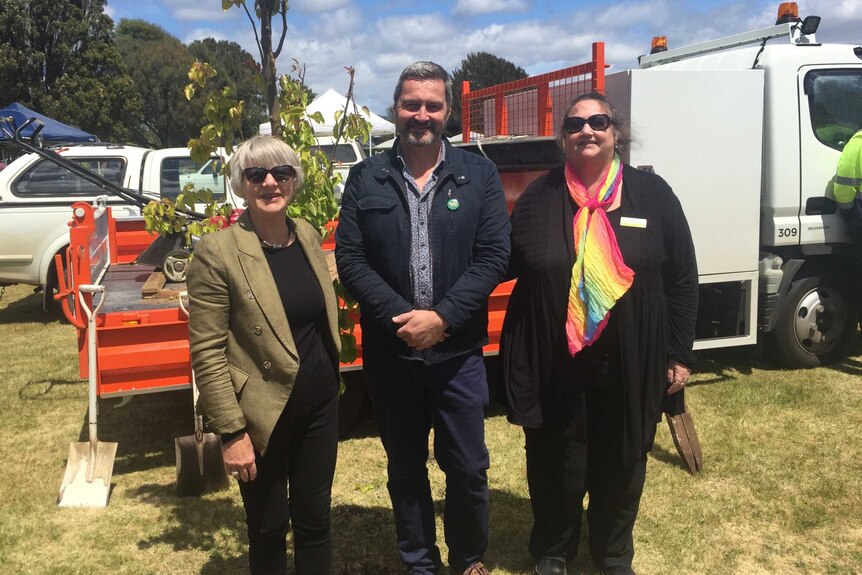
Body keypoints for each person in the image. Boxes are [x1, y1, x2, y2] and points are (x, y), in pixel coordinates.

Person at [500, 92, 698, 575]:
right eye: (575, 124)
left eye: (599, 121)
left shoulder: (653, 195)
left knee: (623, 462)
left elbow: (682, 279)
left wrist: (678, 353)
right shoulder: (538, 199)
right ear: (562, 139)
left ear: (616, 133)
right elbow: (500, 262)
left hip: (631, 361)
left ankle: (612, 554)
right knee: (554, 465)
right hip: (556, 362)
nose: (587, 130)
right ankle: (552, 550)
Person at [335, 61, 510, 575]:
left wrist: (443, 319)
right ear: (396, 108)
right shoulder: (366, 177)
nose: (422, 114)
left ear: (448, 112)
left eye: (433, 105)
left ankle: (468, 557)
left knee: (469, 468)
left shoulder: (479, 174)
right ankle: (419, 562)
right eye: (412, 103)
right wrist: (401, 318)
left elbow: (494, 255)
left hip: (457, 355)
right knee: (405, 467)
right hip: (392, 358)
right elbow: (351, 259)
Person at [187, 135, 341, 575]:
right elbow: (207, 351)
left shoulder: (308, 236)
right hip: (260, 417)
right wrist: (232, 434)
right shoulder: (217, 252)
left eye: (281, 173)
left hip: (319, 406)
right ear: (241, 184)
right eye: (257, 174)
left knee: (315, 520)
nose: (270, 182)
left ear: (294, 181)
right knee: (269, 527)